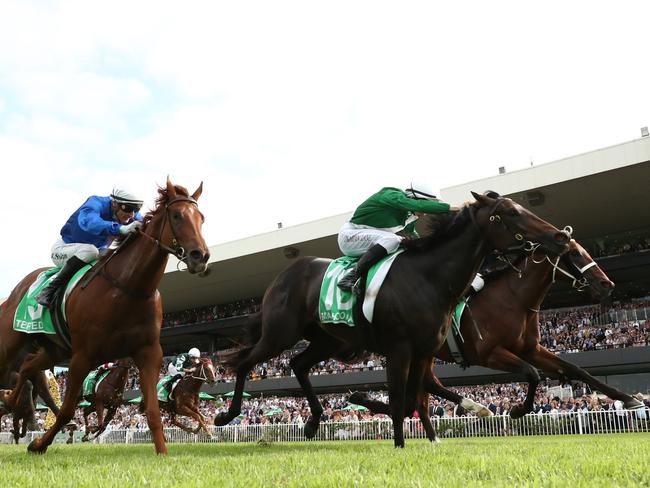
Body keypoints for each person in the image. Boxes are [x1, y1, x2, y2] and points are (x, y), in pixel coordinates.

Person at [337, 182, 454, 295]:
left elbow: (413, 236)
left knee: (403, 243)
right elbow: (417, 205)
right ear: (415, 198)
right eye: (425, 209)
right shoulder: (391, 195)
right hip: (349, 236)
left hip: (365, 237)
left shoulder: (410, 216)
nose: (425, 214)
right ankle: (350, 277)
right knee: (393, 240)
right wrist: (454, 208)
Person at [35, 187, 144, 307]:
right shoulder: (95, 203)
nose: (132, 215)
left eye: (136, 209)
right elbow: (89, 222)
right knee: (90, 250)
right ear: (114, 203)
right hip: (64, 249)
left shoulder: (130, 214)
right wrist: (120, 228)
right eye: (128, 209)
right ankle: (49, 290)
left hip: (97, 252)